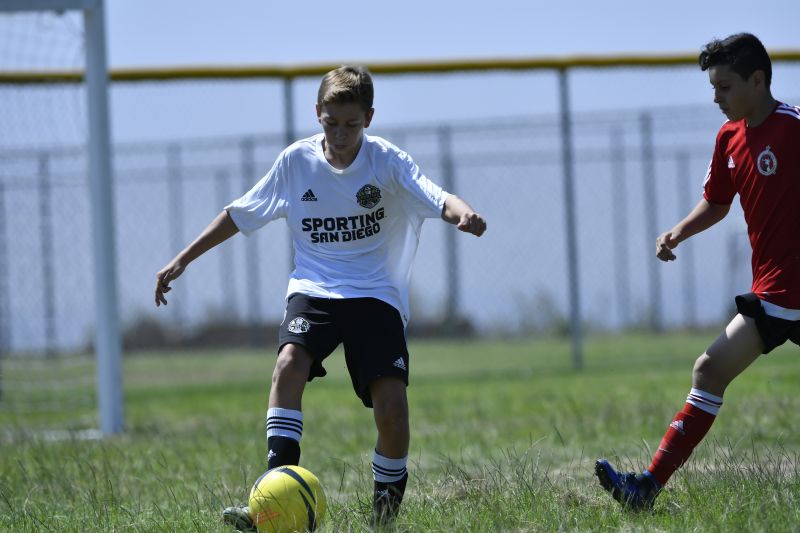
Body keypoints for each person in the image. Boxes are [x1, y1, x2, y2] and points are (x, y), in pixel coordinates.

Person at [154, 65, 487, 529]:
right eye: (332, 123)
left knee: (393, 410)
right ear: (317, 114)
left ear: (369, 118)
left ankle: (382, 520)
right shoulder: (296, 162)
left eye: (351, 124)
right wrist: (183, 258)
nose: (341, 134)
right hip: (314, 288)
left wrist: (465, 215)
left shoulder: (387, 161)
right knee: (288, 364)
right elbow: (240, 213)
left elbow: (438, 197)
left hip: (375, 294)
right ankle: (270, 499)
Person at [595, 33, 800, 510]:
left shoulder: (793, 128)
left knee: (708, 370)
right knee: (708, 371)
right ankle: (644, 490)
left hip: (791, 290)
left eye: (724, 87)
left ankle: (646, 487)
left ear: (757, 80)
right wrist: (679, 231)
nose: (716, 98)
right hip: (773, 291)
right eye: (713, 88)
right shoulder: (729, 137)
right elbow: (718, 201)